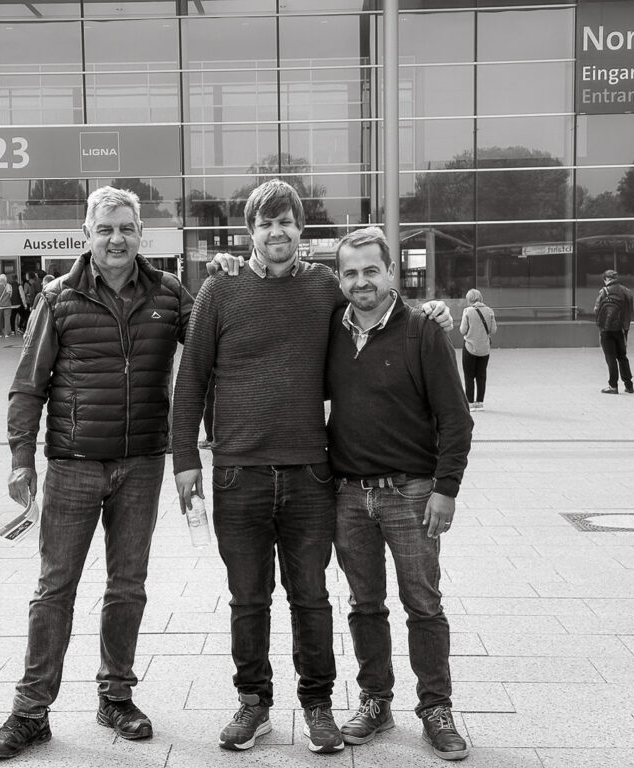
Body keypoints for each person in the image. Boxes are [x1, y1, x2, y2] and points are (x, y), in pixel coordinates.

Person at [171, 180, 451, 755]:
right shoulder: (219, 289)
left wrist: (431, 313)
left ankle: (318, 704)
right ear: (250, 231)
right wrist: (184, 460)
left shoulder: (325, 286)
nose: (277, 232)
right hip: (238, 473)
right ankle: (253, 703)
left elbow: (376, 306)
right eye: (265, 223)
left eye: (287, 222)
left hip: (310, 475)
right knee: (247, 599)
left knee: (312, 598)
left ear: (301, 229)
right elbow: (191, 377)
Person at [0, 187, 194, 760]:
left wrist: (230, 277)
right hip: (73, 465)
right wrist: (20, 458)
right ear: (87, 234)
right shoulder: (58, 298)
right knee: (55, 588)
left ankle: (116, 697)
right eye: (105, 229)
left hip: (142, 463)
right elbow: (28, 385)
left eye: (126, 228)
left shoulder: (169, 294)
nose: (116, 239)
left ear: (141, 233)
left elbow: (217, 340)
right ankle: (31, 711)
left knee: (127, 586)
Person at [327, 227, 473, 761]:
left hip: (411, 494)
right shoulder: (332, 330)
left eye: (371, 270)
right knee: (364, 605)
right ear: (339, 279)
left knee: (423, 605)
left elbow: (456, 419)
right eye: (350, 272)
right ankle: (375, 700)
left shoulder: (422, 330)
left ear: (391, 273)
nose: (361, 281)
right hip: (349, 495)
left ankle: (436, 708)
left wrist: (445, 489)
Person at [593, 269, 634, 394]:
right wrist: (625, 326)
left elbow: (596, 309)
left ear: (606, 279)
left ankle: (613, 386)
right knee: (622, 356)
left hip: (606, 328)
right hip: (621, 328)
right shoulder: (627, 291)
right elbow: (630, 310)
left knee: (610, 358)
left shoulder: (604, 291)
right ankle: (629, 385)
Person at [458, 288, 496, 410]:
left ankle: (470, 403)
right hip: (484, 349)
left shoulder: (467, 311)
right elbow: (493, 330)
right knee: (481, 375)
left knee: (469, 375)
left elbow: (462, 330)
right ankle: (479, 403)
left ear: (469, 299)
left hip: (470, 347)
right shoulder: (489, 311)